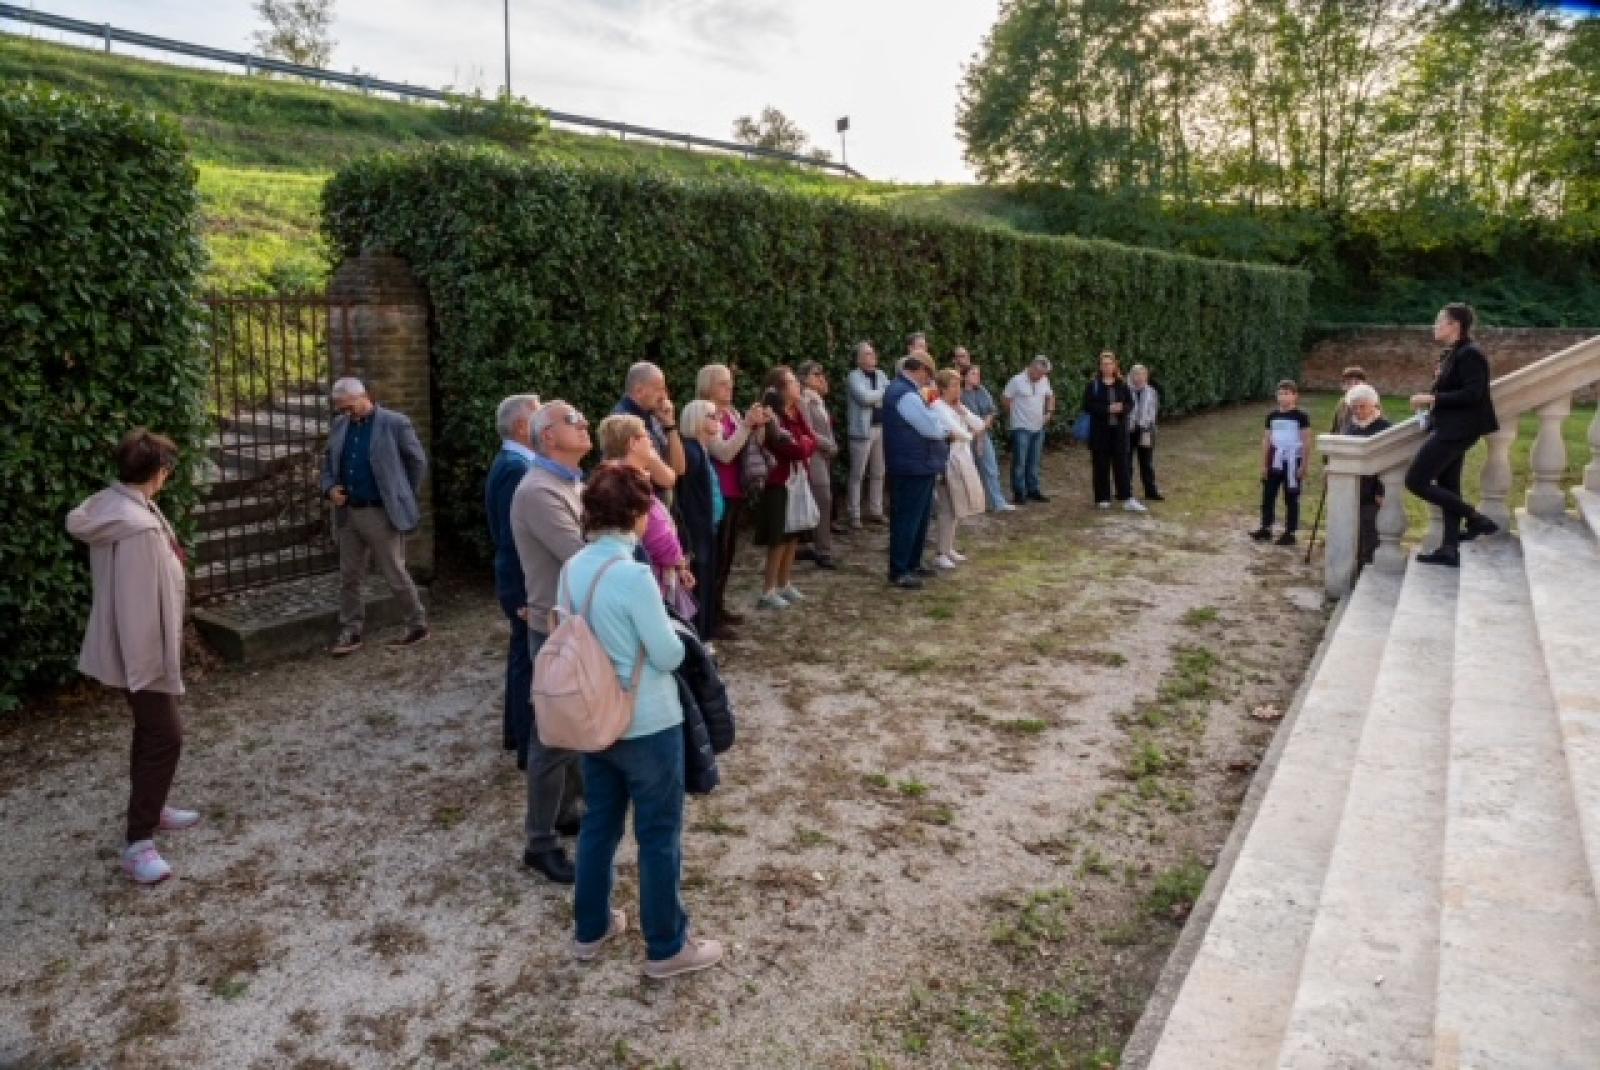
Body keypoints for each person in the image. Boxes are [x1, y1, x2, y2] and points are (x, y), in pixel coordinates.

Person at [564, 462, 723, 979]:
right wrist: (682, 638)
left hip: (594, 716)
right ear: (636, 512)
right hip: (648, 722)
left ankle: (590, 928)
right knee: (658, 834)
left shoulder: (573, 568)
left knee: (598, 826)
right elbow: (666, 654)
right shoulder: (633, 576)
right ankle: (666, 945)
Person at [67, 430, 200, 885]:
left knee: (151, 731)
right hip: (140, 652)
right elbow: (142, 604)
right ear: (158, 472)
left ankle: (153, 803)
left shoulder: (113, 503)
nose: (169, 477)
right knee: (167, 736)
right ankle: (138, 843)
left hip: (131, 646)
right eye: (168, 470)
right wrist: (153, 668)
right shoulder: (139, 527)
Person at [510, 401, 592, 884]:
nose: (584, 424)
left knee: (572, 723)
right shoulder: (540, 491)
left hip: (572, 619)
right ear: (546, 437)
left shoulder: (570, 482)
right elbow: (582, 555)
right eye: (572, 420)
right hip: (554, 626)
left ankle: (565, 811)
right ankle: (539, 842)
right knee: (549, 734)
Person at [320, 377, 430, 655]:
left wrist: (401, 493)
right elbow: (328, 463)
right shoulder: (339, 426)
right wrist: (330, 488)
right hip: (348, 513)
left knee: (394, 571)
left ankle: (417, 624)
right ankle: (351, 630)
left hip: (380, 512)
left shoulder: (394, 423)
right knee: (350, 576)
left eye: (349, 407)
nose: (346, 413)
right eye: (340, 409)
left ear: (364, 396)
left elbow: (416, 462)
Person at [1405, 303, 1500, 567]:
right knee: (1448, 487)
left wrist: (1431, 398)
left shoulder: (1471, 353)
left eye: (1439, 322)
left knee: (1415, 480)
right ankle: (1449, 549)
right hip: (1450, 427)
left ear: (1455, 326)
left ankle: (1476, 518)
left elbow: (1473, 394)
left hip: (1458, 429)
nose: (1435, 326)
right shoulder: (1455, 353)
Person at [484, 393, 541, 767]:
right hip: (521, 581)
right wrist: (523, 593)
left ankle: (516, 733)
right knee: (527, 659)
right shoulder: (516, 469)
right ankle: (526, 743)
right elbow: (512, 535)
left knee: (522, 656)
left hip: (518, 578)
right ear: (523, 426)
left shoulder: (515, 463)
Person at [695, 364, 770, 640]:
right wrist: (747, 426)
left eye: (730, 383)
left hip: (734, 489)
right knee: (715, 557)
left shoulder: (732, 412)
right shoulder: (706, 413)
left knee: (727, 557)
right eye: (723, 384)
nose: (730, 388)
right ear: (708, 387)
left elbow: (747, 445)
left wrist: (757, 426)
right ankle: (709, 616)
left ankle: (719, 607)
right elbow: (724, 452)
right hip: (718, 492)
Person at [598, 415, 695, 606]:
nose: (651, 441)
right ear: (633, 443)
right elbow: (655, 534)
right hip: (646, 578)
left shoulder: (620, 477)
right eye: (646, 436)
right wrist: (678, 562)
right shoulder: (626, 482)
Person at [751, 366, 817, 609]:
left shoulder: (796, 412)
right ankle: (768, 590)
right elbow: (793, 449)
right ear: (780, 389)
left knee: (793, 534)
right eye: (791, 382)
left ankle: (784, 583)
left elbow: (812, 439)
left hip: (797, 481)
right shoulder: (772, 418)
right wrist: (805, 445)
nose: (797, 385)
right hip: (778, 482)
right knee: (778, 537)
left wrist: (805, 444)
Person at [883, 354, 951, 589]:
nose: (929, 381)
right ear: (920, 370)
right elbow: (932, 427)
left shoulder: (905, 391)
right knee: (908, 519)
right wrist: (943, 429)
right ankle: (900, 568)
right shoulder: (906, 394)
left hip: (917, 464)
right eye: (929, 375)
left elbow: (934, 418)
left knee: (919, 518)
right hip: (911, 464)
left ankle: (912, 563)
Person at [930, 369, 986, 569]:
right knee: (946, 507)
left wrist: (964, 412)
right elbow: (957, 432)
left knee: (956, 507)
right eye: (954, 385)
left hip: (962, 458)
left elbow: (979, 426)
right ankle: (941, 552)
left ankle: (949, 547)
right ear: (943, 388)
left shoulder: (957, 407)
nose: (958, 389)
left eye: (959, 385)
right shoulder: (938, 406)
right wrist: (968, 434)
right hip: (947, 460)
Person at [676, 400, 723, 641]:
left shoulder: (701, 450)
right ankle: (700, 637)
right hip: (697, 529)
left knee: (707, 578)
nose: (717, 420)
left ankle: (705, 633)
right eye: (711, 416)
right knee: (699, 582)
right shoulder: (691, 452)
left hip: (707, 525)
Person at [1251, 380, 1313, 546]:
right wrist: (1264, 464)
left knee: (1291, 496)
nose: (1283, 397)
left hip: (1293, 460)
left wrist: (1304, 465)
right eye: (1280, 393)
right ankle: (1266, 527)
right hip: (1274, 459)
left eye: (1287, 393)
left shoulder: (1301, 416)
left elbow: (1306, 440)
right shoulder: (1272, 416)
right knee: (1268, 495)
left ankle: (1290, 532)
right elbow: (1267, 439)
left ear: (1295, 396)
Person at [1083, 352, 1145, 513]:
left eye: (1110, 363)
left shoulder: (1122, 384)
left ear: (1115, 366)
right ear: (1100, 366)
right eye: (1104, 364)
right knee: (1100, 465)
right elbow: (1087, 406)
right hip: (1100, 433)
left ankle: (1126, 497)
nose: (1107, 367)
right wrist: (1107, 409)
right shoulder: (1093, 385)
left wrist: (1121, 408)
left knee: (1122, 466)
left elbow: (1130, 404)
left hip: (1119, 433)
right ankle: (1102, 498)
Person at [613, 362, 684, 493]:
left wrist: (670, 425)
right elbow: (667, 479)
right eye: (659, 389)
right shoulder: (624, 422)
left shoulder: (654, 417)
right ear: (639, 391)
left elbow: (679, 469)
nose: (664, 396)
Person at [1343, 384, 1392, 570]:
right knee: (1352, 530)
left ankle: (1368, 566)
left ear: (1374, 405)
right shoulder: (1350, 427)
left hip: (1373, 490)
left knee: (1370, 528)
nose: (1358, 411)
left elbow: (1389, 462)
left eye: (1362, 406)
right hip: (1353, 486)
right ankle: (1354, 565)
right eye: (1354, 407)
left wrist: (1382, 490)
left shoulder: (1385, 428)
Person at [798, 361, 840, 569]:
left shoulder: (818, 401)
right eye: (816, 375)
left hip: (823, 455)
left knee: (823, 499)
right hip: (814, 455)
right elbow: (808, 430)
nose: (821, 378)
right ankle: (823, 549)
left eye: (822, 374)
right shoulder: (805, 401)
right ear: (804, 379)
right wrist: (828, 444)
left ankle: (817, 545)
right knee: (823, 498)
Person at [845, 342, 889, 528]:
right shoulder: (853, 377)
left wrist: (876, 396)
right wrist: (880, 394)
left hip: (881, 427)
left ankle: (875, 510)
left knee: (879, 472)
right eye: (868, 354)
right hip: (862, 431)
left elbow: (887, 397)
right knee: (858, 474)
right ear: (859, 359)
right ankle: (854, 514)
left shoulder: (881, 375)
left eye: (873, 353)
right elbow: (864, 399)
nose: (872, 357)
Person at [1002, 357, 1055, 504]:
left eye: (1043, 374)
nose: (1040, 376)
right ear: (1032, 368)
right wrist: (1014, 414)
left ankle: (1033, 490)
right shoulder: (1017, 380)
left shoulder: (1044, 380)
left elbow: (1050, 396)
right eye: (1038, 373)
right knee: (1020, 461)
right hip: (1021, 427)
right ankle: (1019, 492)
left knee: (1034, 461)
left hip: (1038, 427)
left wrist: (1049, 412)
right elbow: (1006, 398)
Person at [961, 365, 1013, 512]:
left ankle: (997, 502)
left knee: (991, 468)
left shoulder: (982, 390)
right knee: (968, 471)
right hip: (965, 436)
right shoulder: (960, 394)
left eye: (978, 373)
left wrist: (981, 435)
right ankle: (972, 504)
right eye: (973, 374)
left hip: (982, 434)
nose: (977, 376)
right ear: (965, 376)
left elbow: (991, 412)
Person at [1126, 363, 1163, 502]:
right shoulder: (1126, 390)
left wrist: (1147, 426)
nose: (1139, 378)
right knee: (1127, 462)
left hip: (1146, 430)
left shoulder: (1151, 391)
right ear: (1132, 376)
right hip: (1129, 430)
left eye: (1142, 374)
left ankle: (1151, 490)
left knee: (1146, 462)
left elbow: (1154, 411)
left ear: (1146, 376)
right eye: (1136, 374)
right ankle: (1126, 491)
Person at [1330, 366, 1369, 434]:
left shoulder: (1370, 402)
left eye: (1357, 383)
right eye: (1349, 383)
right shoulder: (1342, 403)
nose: (1353, 386)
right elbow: (1335, 428)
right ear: (1343, 386)